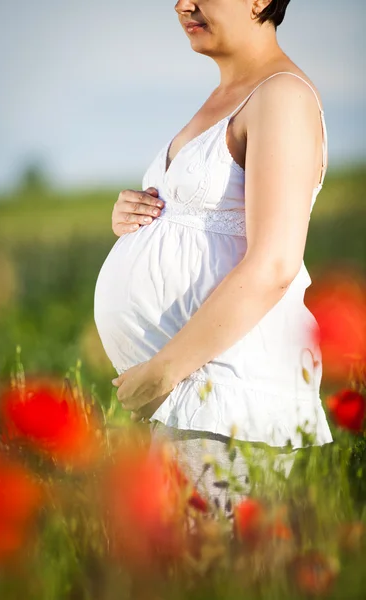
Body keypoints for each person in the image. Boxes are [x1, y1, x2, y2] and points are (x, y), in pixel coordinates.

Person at [94, 0, 333, 512]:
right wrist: (135, 220)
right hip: (191, 400)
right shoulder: (226, 96)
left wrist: (163, 372)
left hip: (227, 402)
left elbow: (274, 264)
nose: (184, 4)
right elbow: (204, 219)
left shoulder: (283, 96)